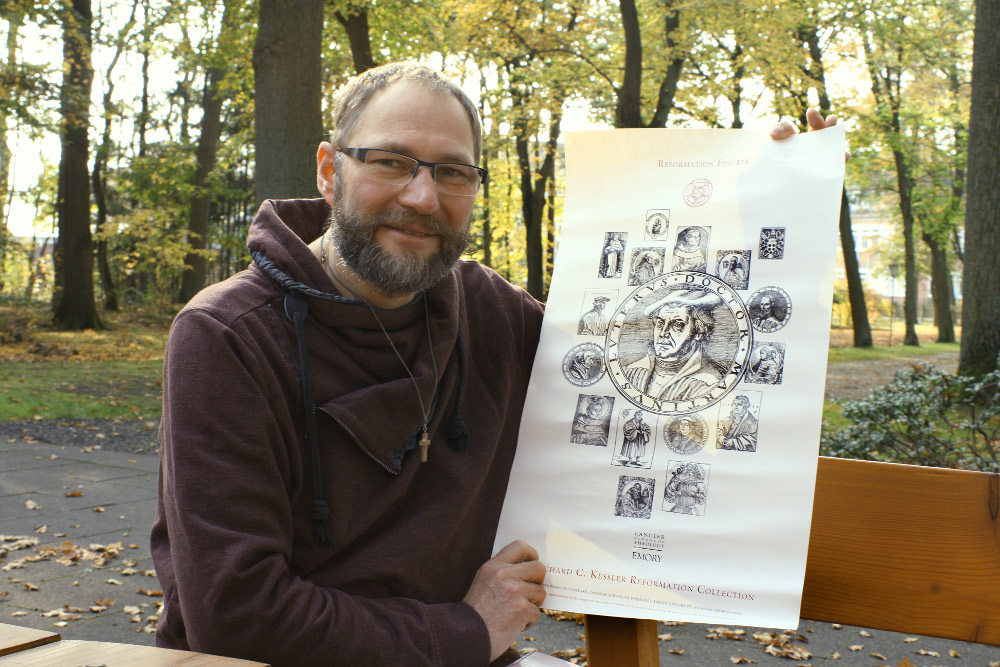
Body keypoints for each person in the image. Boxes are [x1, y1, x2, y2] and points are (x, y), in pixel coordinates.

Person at [151, 56, 838, 665]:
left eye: (452, 172)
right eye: (391, 161)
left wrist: (773, 199)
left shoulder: (498, 318)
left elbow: (667, 354)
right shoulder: (225, 337)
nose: (422, 198)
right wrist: (464, 631)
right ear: (330, 171)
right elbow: (235, 614)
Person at [623, 290, 727, 402]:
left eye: (677, 325)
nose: (663, 333)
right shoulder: (632, 372)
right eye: (660, 323)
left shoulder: (709, 383)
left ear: (699, 332)